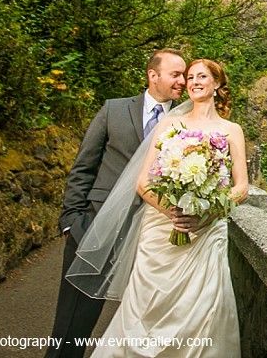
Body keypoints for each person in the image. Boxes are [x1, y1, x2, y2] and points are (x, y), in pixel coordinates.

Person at [67, 59, 248, 358]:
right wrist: (174, 214)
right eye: (190, 77)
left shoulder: (232, 130)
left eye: (202, 76)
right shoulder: (169, 124)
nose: (194, 81)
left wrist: (208, 214)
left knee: (201, 307)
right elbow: (143, 183)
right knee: (144, 306)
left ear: (217, 83)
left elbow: (240, 187)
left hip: (206, 232)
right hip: (161, 230)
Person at [45, 49, 195, 358]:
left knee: (141, 321)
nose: (183, 81)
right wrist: (72, 219)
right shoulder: (113, 110)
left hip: (151, 234)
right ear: (153, 75)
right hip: (96, 224)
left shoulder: (186, 122)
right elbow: (84, 165)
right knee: (73, 320)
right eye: (176, 74)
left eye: (184, 75)